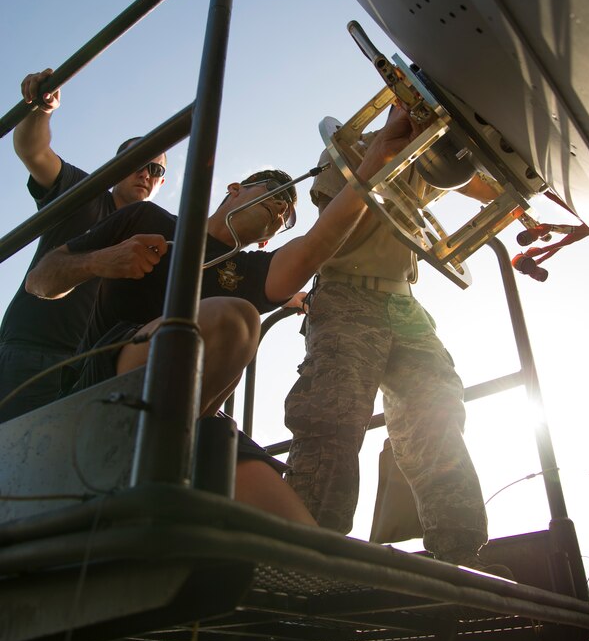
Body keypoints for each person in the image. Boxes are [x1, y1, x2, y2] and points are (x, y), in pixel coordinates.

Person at [24, 106, 416, 523]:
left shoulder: (250, 274)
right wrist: (102, 261)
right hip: (101, 382)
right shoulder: (145, 217)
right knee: (235, 320)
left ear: (268, 243)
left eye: (286, 213)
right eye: (272, 194)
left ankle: (175, 467)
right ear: (233, 190)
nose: (281, 210)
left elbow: (318, 243)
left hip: (199, 419)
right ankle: (165, 472)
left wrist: (379, 160)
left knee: (300, 535)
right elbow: (41, 280)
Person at [284, 121, 502, 571]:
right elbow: (336, 210)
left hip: (402, 303)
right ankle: (309, 557)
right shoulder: (348, 149)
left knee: (435, 413)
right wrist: (388, 151)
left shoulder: (434, 158)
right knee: (333, 416)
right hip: (346, 294)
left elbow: (478, 183)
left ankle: (460, 553)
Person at [0, 68, 166, 422]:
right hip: (30, 354)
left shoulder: (156, 235)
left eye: (156, 170)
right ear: (116, 166)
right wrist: (41, 111)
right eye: (139, 161)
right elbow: (33, 150)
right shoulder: (84, 191)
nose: (146, 173)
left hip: (91, 374)